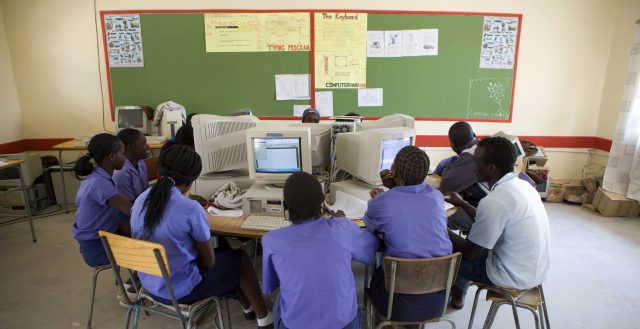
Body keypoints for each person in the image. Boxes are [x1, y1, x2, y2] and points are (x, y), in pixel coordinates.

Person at [130, 145, 273, 328]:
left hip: (150, 284)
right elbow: (208, 262)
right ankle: (265, 318)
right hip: (180, 290)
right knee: (240, 259)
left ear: (160, 170)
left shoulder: (141, 199)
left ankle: (248, 308)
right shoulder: (190, 209)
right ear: (192, 182)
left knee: (227, 255)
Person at [262, 172, 378, 329]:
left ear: (285, 206)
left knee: (280, 299)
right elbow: (373, 252)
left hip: (297, 325)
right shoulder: (343, 228)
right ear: (323, 201)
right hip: (344, 324)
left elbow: (270, 286)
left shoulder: (271, 240)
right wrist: (341, 224)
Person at [445, 137, 551, 309]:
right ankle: (458, 293)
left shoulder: (495, 201)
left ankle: (441, 299)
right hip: (535, 271)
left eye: (476, 161)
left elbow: (469, 252)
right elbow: (488, 220)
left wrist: (439, 228)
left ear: (491, 168)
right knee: (478, 241)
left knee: (447, 255)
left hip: (510, 276)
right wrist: (463, 203)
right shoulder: (523, 186)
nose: (473, 166)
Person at [364, 146, 452, 322]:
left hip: (394, 303)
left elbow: (371, 228)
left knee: (376, 263)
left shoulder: (383, 202)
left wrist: (383, 196)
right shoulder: (436, 197)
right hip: (438, 301)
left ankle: (388, 323)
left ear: (393, 172)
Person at [71, 133, 133, 267]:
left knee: (143, 236)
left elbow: (119, 213)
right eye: (123, 154)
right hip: (96, 248)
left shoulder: (98, 175)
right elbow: (129, 210)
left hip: (103, 237)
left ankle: (136, 281)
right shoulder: (99, 183)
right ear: (112, 156)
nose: (126, 157)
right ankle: (131, 285)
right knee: (149, 253)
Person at [436, 122, 488, 232]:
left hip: (485, 216)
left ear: (453, 144)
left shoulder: (471, 155)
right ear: (474, 134)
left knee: (436, 214)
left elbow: (445, 187)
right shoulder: (481, 146)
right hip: (492, 209)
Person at [113, 128, 150, 203]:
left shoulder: (140, 162)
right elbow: (128, 206)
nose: (148, 146)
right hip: (129, 211)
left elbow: (145, 191)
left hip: (141, 205)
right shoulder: (121, 173)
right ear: (129, 147)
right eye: (144, 144)